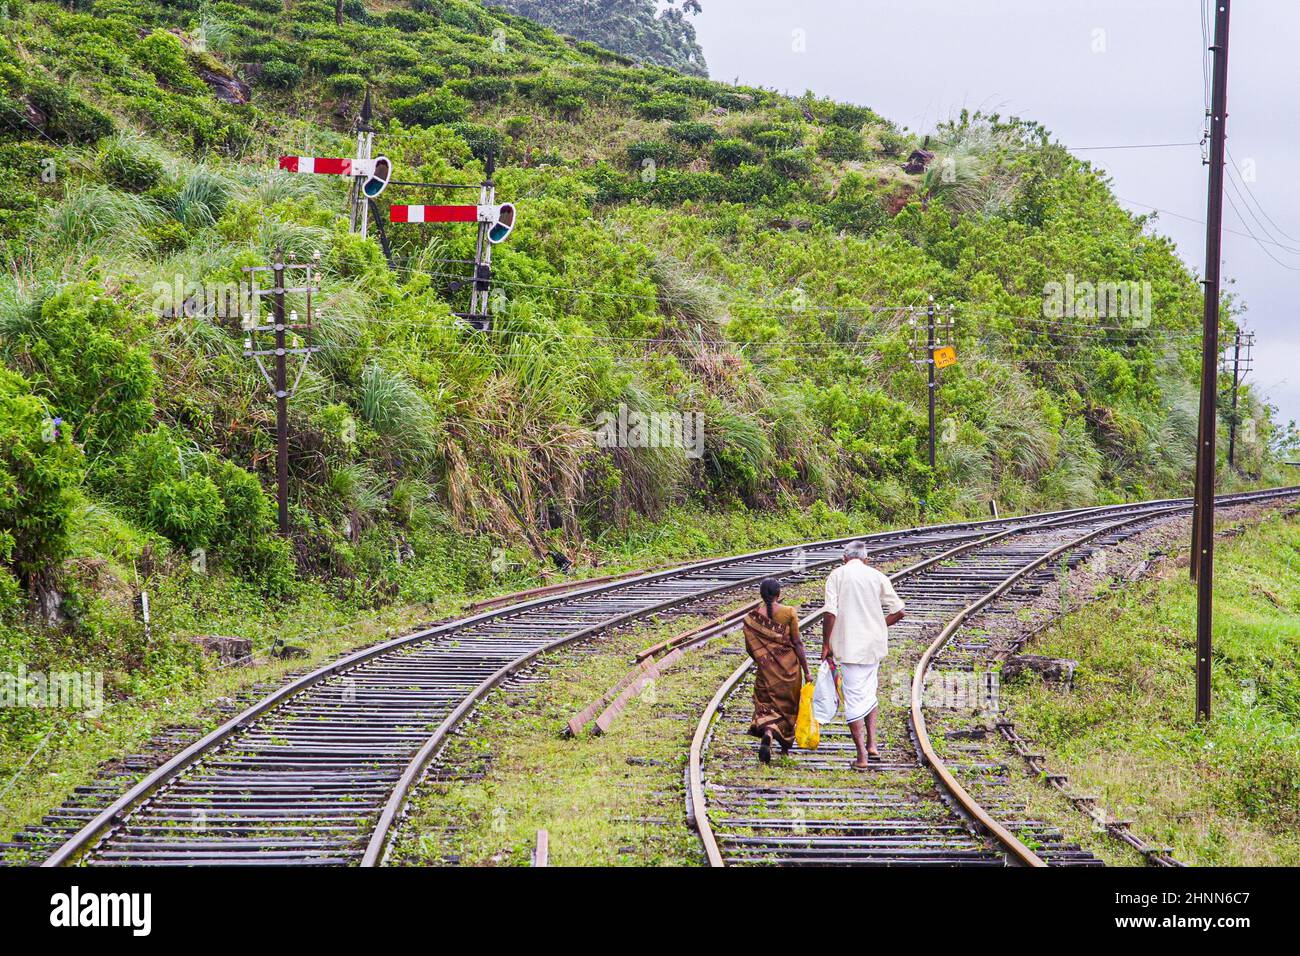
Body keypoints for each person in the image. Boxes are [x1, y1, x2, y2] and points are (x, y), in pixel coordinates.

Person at [822, 540, 905, 770]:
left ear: (844, 559)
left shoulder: (836, 576)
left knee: (854, 700)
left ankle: (861, 757)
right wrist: (879, 626)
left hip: (850, 648)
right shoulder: (877, 576)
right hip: (873, 647)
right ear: (866, 559)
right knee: (868, 692)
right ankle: (873, 745)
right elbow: (899, 611)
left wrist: (825, 644)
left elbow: (830, 613)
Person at [743, 578, 812, 764]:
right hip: (789, 669)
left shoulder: (751, 618)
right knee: (788, 706)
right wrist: (807, 671)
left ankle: (768, 731)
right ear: (779, 594)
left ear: (761, 595)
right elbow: (797, 642)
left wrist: (765, 661)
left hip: (766, 671)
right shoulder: (789, 612)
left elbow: (751, 649)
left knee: (766, 704)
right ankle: (784, 746)